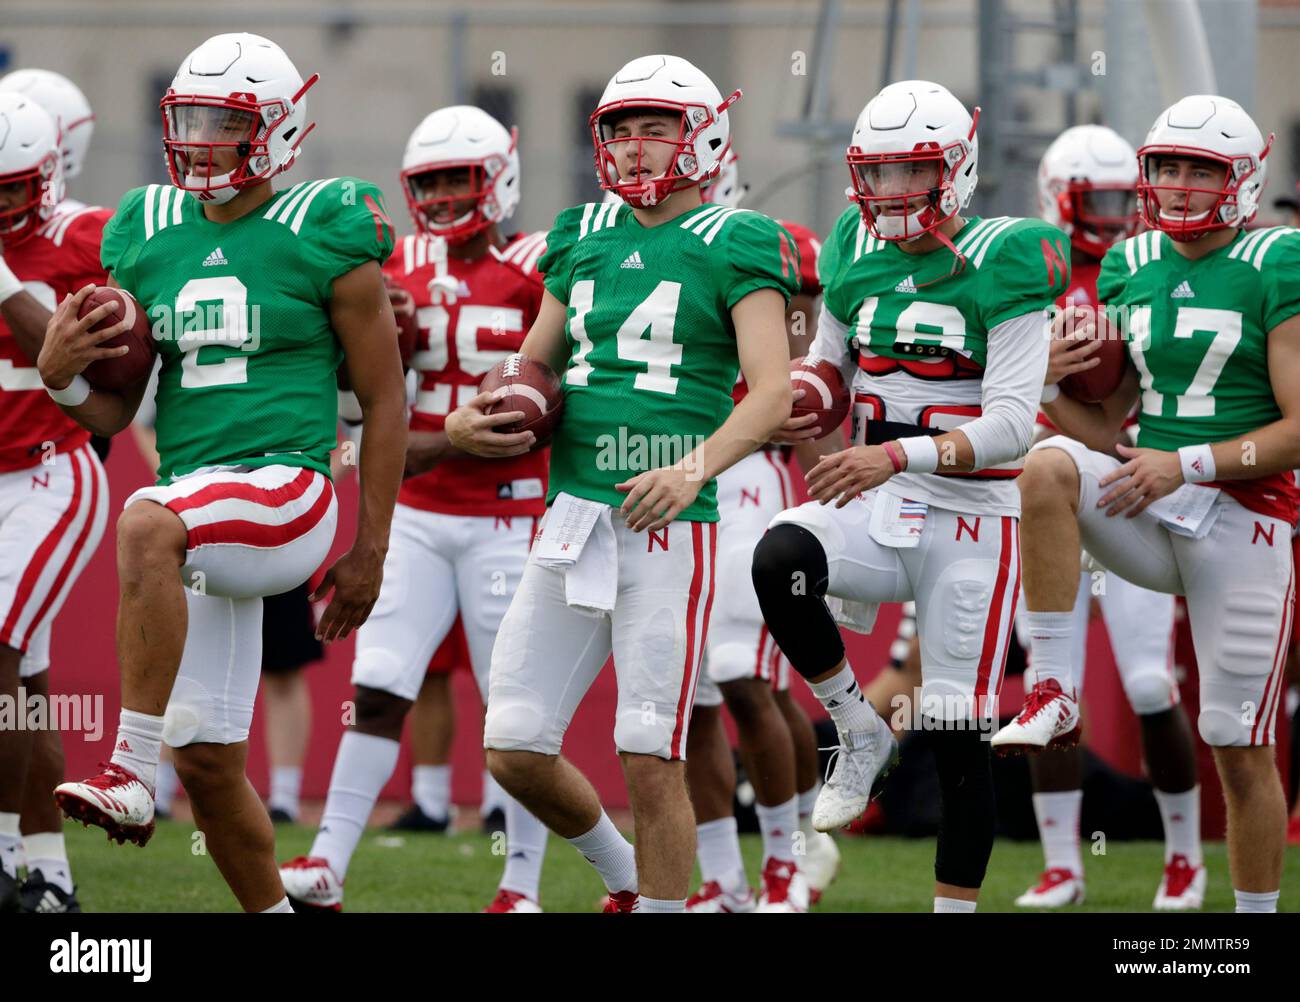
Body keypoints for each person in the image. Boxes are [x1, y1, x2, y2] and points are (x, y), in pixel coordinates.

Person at [46, 32, 407, 913]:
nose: (202, 139)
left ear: (280, 130)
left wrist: (370, 549)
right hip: (199, 506)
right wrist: (60, 373)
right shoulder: (145, 228)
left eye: (226, 121)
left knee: (142, 520)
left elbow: (386, 400)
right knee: (207, 760)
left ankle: (129, 770)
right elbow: (112, 413)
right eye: (192, 118)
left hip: (289, 489)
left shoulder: (325, 225)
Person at [446, 54, 797, 912]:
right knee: (514, 743)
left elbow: (775, 391)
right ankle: (629, 877)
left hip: (672, 523)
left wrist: (693, 467)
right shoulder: (581, 232)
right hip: (576, 514)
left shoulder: (739, 238)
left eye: (655, 127)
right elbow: (536, 361)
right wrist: (469, 421)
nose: (634, 146)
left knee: (650, 748)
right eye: (620, 129)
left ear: (703, 135)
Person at [752, 80, 1069, 913]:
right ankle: (855, 729)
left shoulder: (1008, 255)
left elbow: (1010, 426)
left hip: (974, 517)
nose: (890, 193)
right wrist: (805, 393)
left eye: (911, 172)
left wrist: (896, 453)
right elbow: (830, 362)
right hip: (883, 507)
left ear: (957, 169)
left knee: (957, 738)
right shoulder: (853, 243)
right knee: (782, 557)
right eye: (878, 173)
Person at [1006, 94, 1298, 914]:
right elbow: (1103, 423)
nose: (1177, 184)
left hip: (1245, 517)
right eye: (1167, 166)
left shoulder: (1278, 260)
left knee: (1238, 745)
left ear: (1242, 177)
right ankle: (1053, 685)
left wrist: (1189, 463)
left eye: (1199, 169)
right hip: (1150, 497)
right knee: (1048, 464)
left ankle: (1250, 922)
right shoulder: (1134, 266)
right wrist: (1039, 379)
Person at [280, 104, 556, 913]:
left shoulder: (543, 265)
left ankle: (522, 884)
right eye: (427, 182)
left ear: (498, 179)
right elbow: (358, 403)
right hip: (419, 514)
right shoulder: (391, 264)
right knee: (380, 685)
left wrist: (495, 424)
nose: (438, 196)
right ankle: (328, 862)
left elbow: (561, 395)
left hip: (512, 512)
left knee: (518, 710)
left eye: (454, 179)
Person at [1005, 124, 1204, 910]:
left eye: (1130, 197)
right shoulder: (1024, 266)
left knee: (1152, 683)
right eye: (1103, 198)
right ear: (1058, 195)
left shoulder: (1149, 265)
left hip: (1126, 478)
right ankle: (1063, 863)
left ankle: (1183, 857)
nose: (1119, 214)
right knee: (1052, 687)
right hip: (1044, 487)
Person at [681, 149, 839, 912]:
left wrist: (828, 486)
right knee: (692, 697)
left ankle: (788, 857)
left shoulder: (779, 251)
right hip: (675, 478)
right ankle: (723, 877)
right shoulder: (648, 251)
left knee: (747, 678)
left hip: (752, 482)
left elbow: (803, 382)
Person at [0, 92, 110, 913]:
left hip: (49, 474)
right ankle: (48, 877)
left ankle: (3, 856)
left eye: (11, 188)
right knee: (25, 686)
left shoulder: (84, 237)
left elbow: (73, 354)